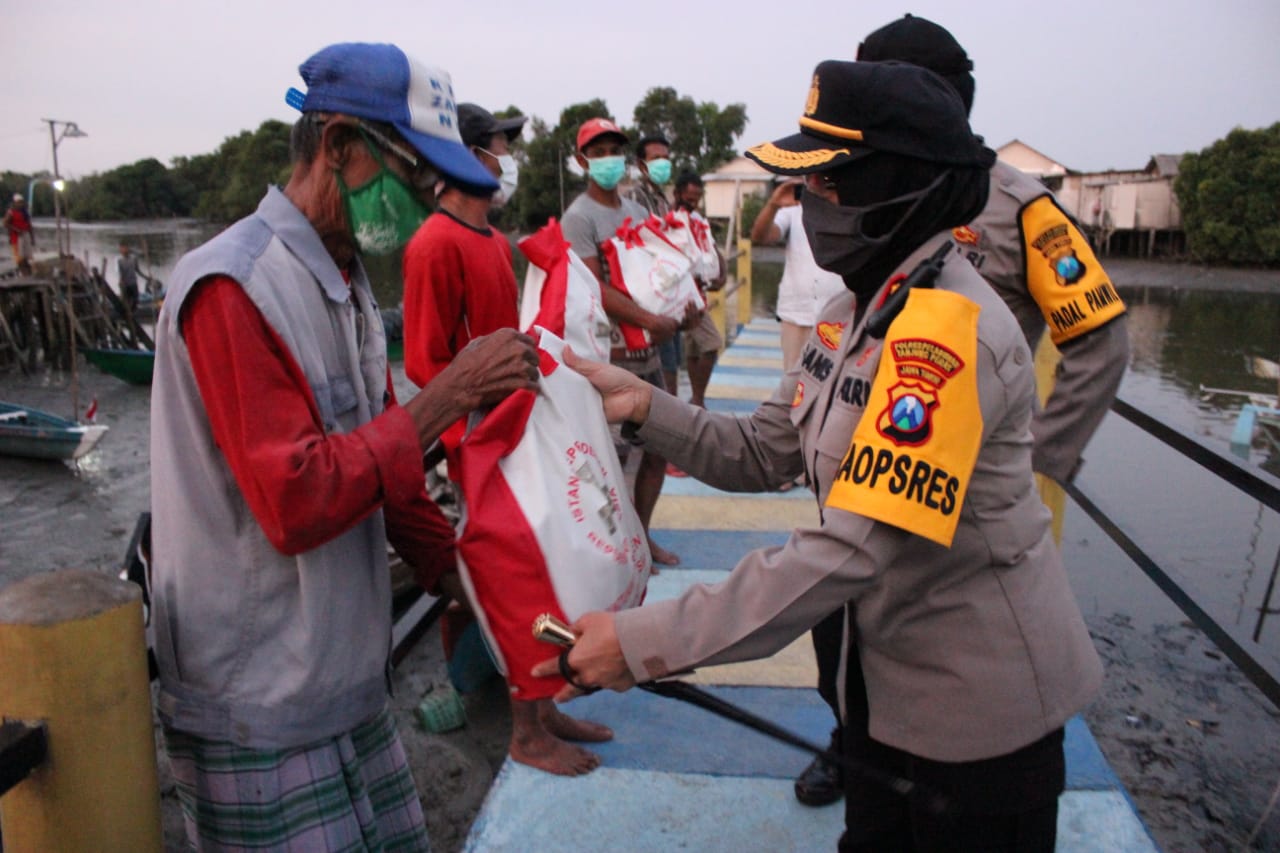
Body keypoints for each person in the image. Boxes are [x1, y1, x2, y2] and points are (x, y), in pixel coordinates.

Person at [534, 59, 1102, 853]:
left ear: (898, 190)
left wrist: (641, 641)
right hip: (882, 688)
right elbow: (765, 448)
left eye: (826, 184)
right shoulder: (854, 308)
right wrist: (642, 406)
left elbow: (848, 552)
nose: (807, 203)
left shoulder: (945, 334)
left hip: (976, 721)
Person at [149, 43, 541, 851]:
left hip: (346, 677)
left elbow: (386, 469)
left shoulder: (347, 277)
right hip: (259, 700)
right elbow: (296, 498)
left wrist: (472, 584)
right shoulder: (232, 286)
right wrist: (452, 393)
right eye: (412, 173)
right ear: (339, 148)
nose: (428, 196)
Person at [789, 13, 1135, 809]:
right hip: (859, 467)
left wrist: (1041, 457)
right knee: (841, 629)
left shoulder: (1023, 208)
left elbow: (1101, 340)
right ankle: (851, 744)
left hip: (959, 496)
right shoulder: (849, 180)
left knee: (952, 669)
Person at [401, 101, 613, 777]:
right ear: (465, 157)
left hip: (517, 428)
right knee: (511, 574)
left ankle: (546, 703)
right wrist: (476, 421)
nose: (508, 157)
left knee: (551, 562)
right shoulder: (434, 244)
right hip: (476, 441)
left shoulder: (494, 241)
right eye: (500, 145)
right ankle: (523, 726)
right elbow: (426, 364)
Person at [561, 117, 682, 567]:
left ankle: (642, 535)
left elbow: (659, 268)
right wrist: (649, 317)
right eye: (599, 151)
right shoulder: (579, 219)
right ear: (582, 161)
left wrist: (679, 304)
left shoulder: (636, 211)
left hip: (648, 350)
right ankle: (609, 554)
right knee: (607, 460)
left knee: (660, 446)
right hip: (608, 354)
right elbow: (595, 288)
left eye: (615, 150)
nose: (609, 158)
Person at [750, 177, 846, 374]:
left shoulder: (848, 208)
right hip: (797, 313)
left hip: (841, 315)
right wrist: (773, 204)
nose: (817, 183)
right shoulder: (793, 210)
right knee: (793, 383)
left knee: (836, 382)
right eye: (812, 178)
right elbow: (760, 237)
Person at [671, 172, 726, 409]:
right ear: (678, 194)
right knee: (712, 343)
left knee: (694, 350)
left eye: (697, 199)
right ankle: (698, 398)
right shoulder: (672, 221)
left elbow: (713, 249)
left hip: (700, 294)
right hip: (685, 297)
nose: (693, 203)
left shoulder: (696, 220)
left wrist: (721, 274)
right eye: (689, 198)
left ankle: (695, 398)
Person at [3, 194, 35, 273]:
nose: (20, 204)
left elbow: (29, 225)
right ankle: (23, 272)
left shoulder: (25, 212)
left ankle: (28, 272)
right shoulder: (11, 212)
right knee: (19, 257)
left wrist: (32, 238)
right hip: (16, 237)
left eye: (21, 202)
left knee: (27, 256)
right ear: (14, 203)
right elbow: (5, 223)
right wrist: (16, 230)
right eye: (18, 202)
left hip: (25, 234)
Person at [116, 243, 152, 313]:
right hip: (126, 284)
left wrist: (146, 277)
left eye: (125, 249)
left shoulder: (133, 259)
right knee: (126, 300)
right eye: (122, 250)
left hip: (133, 283)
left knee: (135, 300)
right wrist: (121, 283)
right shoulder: (120, 261)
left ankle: (132, 313)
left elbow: (138, 270)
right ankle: (128, 313)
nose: (124, 251)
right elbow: (121, 274)